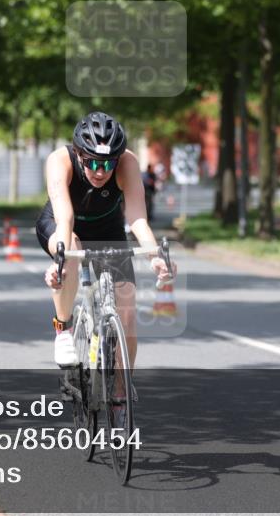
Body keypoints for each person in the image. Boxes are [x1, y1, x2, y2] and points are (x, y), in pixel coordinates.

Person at [35, 111, 175, 367]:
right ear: (79, 154)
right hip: (61, 226)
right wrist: (61, 263)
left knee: (128, 316)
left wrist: (155, 257)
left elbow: (137, 219)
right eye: (92, 163)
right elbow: (65, 218)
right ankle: (63, 330)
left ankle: (122, 388)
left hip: (107, 229)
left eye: (108, 164)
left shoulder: (127, 163)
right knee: (71, 248)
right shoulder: (59, 160)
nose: (100, 172)